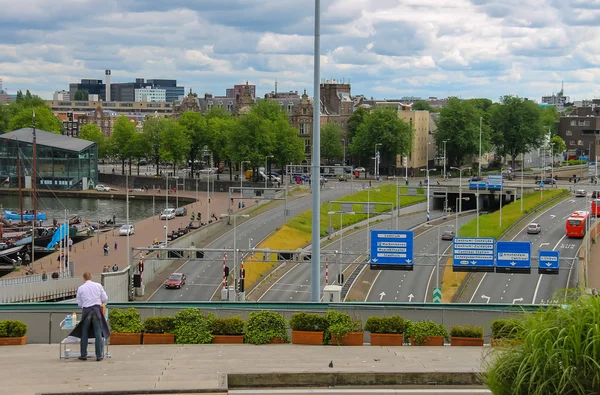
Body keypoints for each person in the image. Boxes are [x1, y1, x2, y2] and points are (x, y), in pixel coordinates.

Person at [71, 272, 110, 361]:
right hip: (96, 310)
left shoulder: (81, 288)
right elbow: (105, 298)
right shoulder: (98, 286)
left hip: (86, 311)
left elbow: (79, 303)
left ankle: (83, 354)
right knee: (98, 332)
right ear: (91, 277)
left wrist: (85, 305)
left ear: (84, 279)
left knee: (84, 332)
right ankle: (99, 355)